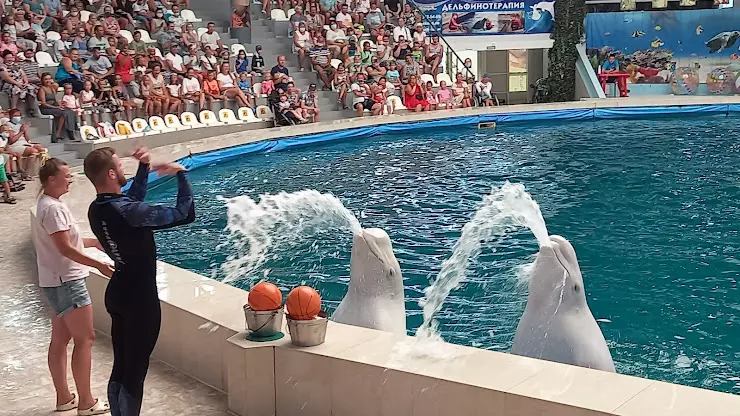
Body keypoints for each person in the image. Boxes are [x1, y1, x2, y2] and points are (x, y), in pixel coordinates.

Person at [84, 146, 195, 416]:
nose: (124, 169)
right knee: (135, 371)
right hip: (139, 299)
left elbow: (130, 201)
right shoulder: (127, 212)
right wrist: (181, 174)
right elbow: (184, 213)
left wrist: (144, 167)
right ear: (111, 174)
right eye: (120, 167)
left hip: (119, 291)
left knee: (122, 365)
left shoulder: (98, 208)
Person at [33, 158, 113, 416]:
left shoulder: (48, 204)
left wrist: (95, 242)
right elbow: (65, 248)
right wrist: (98, 265)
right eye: (66, 176)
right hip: (67, 281)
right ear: (52, 179)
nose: (71, 179)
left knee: (60, 338)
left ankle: (64, 397)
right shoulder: (53, 209)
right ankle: (87, 402)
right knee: (85, 339)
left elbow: (70, 241)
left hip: (54, 281)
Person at [39, 73, 78, 142]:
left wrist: (61, 104)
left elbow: (56, 100)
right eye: (46, 79)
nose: (48, 81)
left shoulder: (52, 88)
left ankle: (71, 130)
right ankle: (58, 133)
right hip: (46, 108)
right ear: (42, 80)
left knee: (70, 111)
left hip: (54, 106)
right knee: (63, 112)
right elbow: (43, 103)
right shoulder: (42, 89)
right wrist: (55, 107)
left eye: (49, 79)